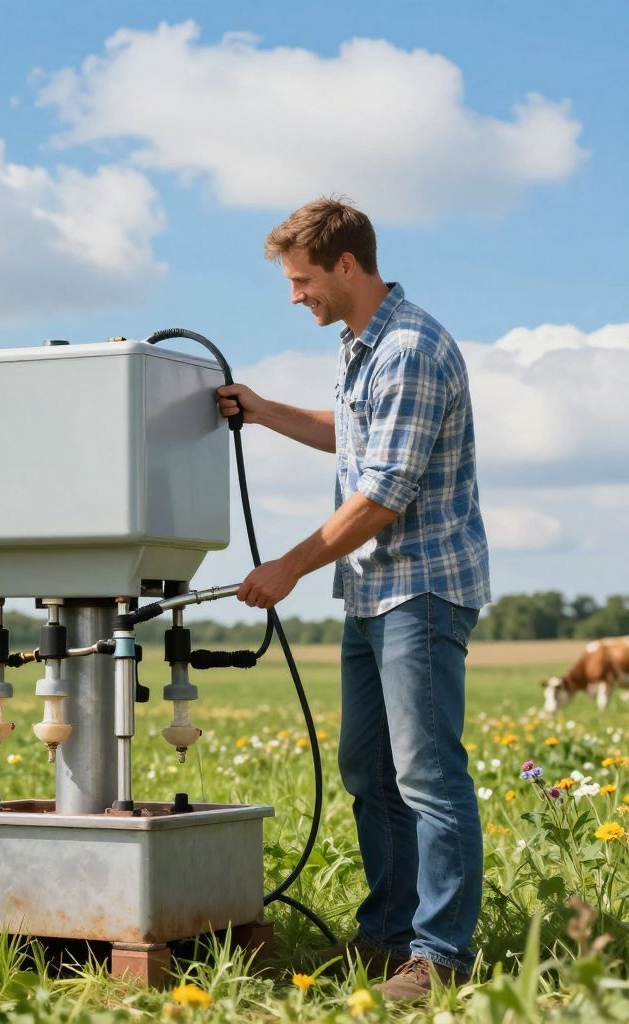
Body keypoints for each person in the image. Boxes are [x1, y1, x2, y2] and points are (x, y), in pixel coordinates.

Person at [216, 197, 490, 1001]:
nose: (293, 295)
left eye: (301, 280)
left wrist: (288, 567)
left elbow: (383, 492)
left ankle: (440, 956)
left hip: (422, 588)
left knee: (429, 774)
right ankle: (386, 939)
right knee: (369, 768)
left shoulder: (409, 347)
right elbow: (353, 432)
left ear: (346, 266)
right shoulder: (361, 348)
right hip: (372, 591)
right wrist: (262, 410)